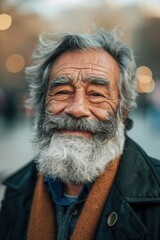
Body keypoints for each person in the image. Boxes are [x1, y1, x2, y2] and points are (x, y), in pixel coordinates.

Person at [0, 29, 160, 240]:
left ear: (122, 112)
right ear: (40, 105)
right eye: (63, 92)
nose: (77, 109)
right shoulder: (15, 193)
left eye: (96, 94)